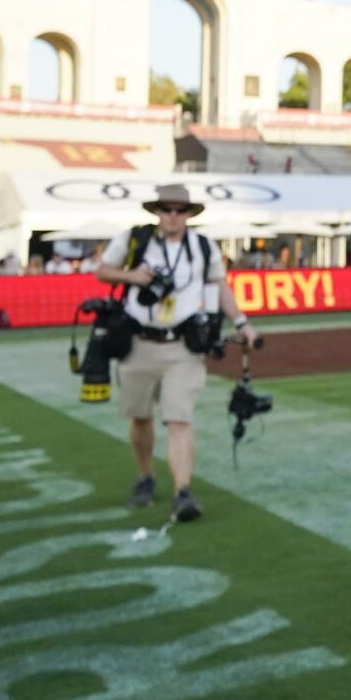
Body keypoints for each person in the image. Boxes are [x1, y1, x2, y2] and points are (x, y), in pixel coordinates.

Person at [93, 184, 261, 522]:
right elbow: (101, 271)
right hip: (138, 342)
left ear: (189, 214)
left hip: (183, 345)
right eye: (166, 209)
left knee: (179, 419)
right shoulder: (134, 240)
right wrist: (133, 276)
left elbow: (219, 284)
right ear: (156, 211)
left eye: (179, 210)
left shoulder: (201, 246)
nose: (173, 216)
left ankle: (182, 491)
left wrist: (241, 322)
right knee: (140, 418)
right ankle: (145, 477)